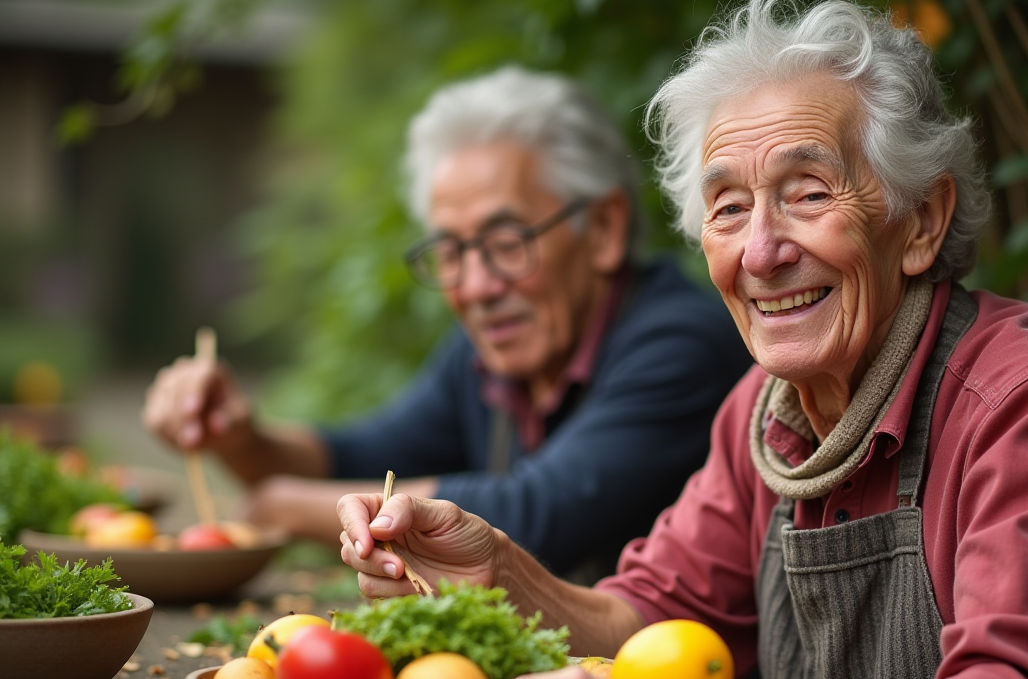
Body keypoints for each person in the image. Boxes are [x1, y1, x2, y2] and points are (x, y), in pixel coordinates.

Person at [334, 0, 1028, 679]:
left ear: (920, 223)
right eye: (727, 208)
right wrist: (500, 574)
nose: (760, 251)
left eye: (807, 193)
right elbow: (648, 619)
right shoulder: (765, 413)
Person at [142, 66, 754, 580]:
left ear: (603, 230)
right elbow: (358, 454)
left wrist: (277, 504)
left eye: (507, 241)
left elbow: (535, 512)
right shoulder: (491, 353)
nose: (477, 287)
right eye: (452, 252)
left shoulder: (680, 342)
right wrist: (239, 437)